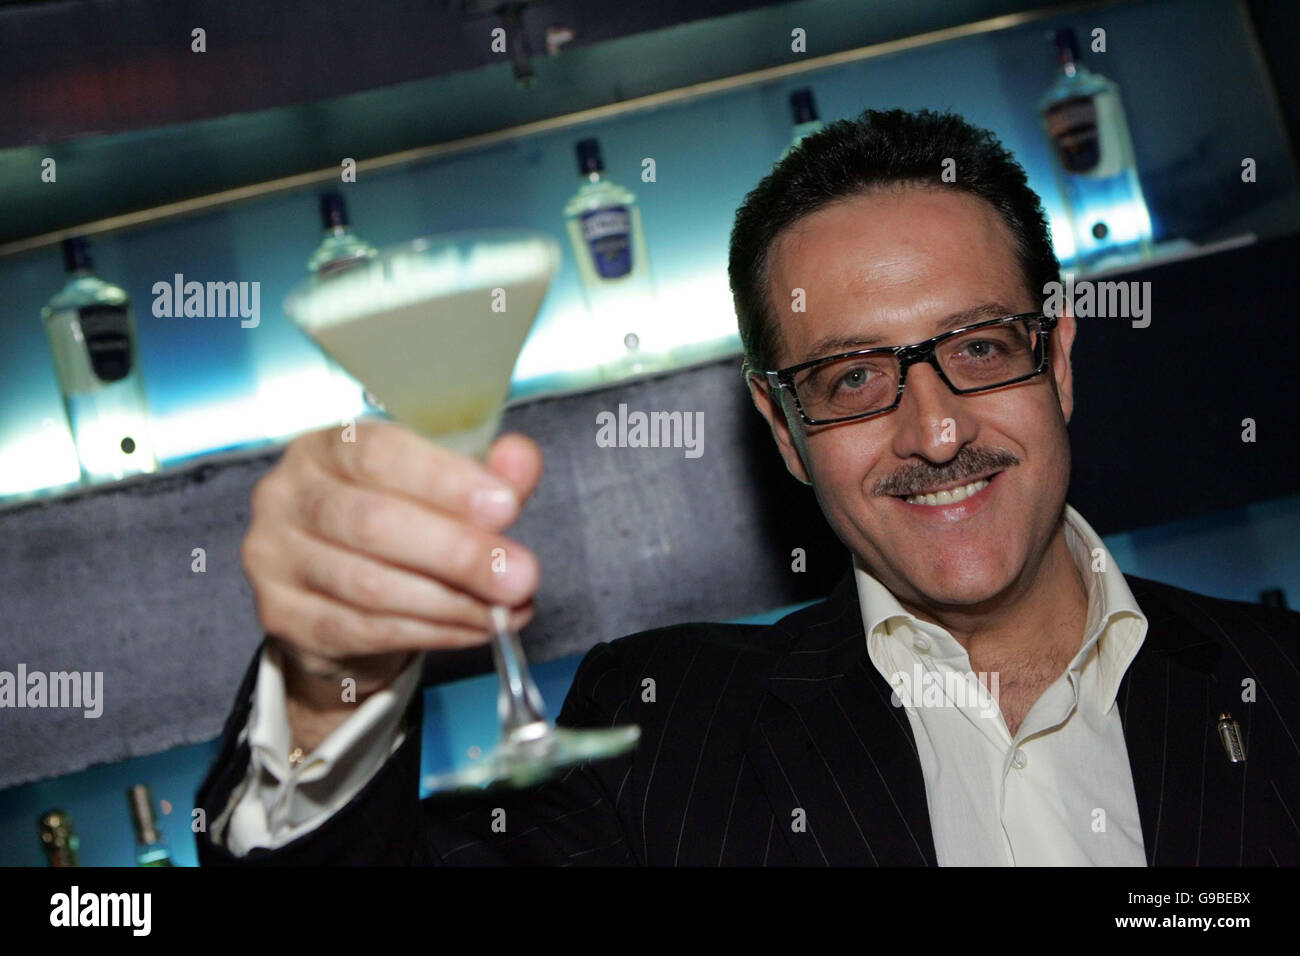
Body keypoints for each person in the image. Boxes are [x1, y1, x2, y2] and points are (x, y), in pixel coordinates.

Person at [196, 108, 1300, 866]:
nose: (933, 428)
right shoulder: (664, 730)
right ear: (781, 425)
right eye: (853, 375)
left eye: (974, 346)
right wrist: (330, 675)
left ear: (1056, 358)